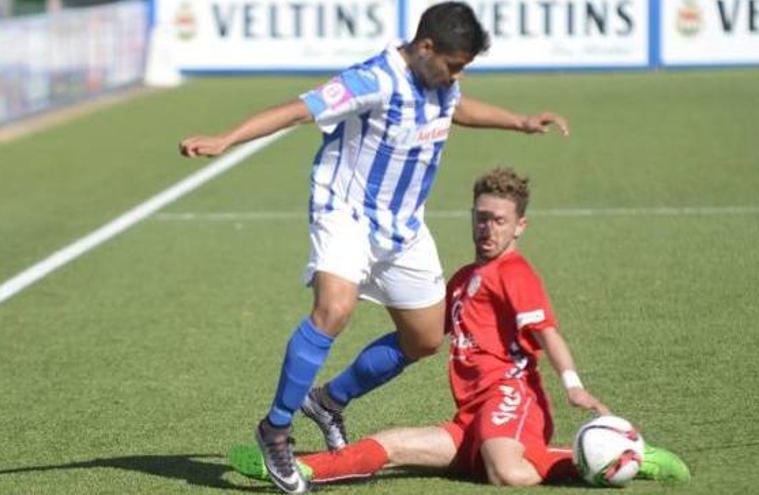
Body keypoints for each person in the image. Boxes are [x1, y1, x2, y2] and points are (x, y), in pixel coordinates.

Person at [179, 3, 570, 493]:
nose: (457, 76)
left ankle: (329, 400)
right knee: (334, 308)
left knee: (425, 338)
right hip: (345, 214)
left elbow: (457, 107)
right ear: (425, 48)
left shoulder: (440, 84)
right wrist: (225, 138)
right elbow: (299, 109)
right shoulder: (372, 80)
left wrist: (519, 121)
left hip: (403, 228)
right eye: (453, 65)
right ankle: (276, 428)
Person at [229, 167, 691, 487]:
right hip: (471, 415)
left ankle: (615, 454)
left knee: (507, 472)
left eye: (500, 221)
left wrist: (573, 386)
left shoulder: (516, 273)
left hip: (511, 399)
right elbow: (415, 341)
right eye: (481, 218)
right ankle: (301, 468)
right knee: (391, 445)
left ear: (520, 226)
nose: (488, 229)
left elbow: (548, 332)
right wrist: (338, 393)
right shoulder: (463, 280)